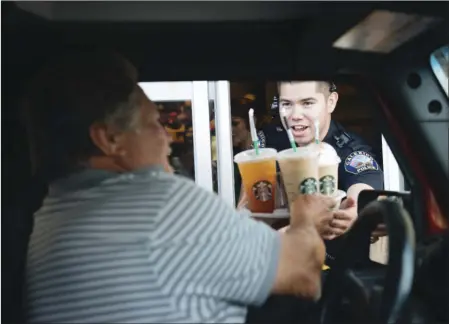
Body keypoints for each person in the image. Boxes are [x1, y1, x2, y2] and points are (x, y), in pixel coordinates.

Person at [23, 51, 335, 323]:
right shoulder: (158, 205)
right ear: (109, 140)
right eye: (153, 124)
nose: (169, 137)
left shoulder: (51, 214)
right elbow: (303, 274)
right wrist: (307, 216)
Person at [240, 81, 384, 263]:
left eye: (307, 103)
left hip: (329, 269)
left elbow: (361, 197)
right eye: (287, 104)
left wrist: (354, 212)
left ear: (331, 102)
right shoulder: (269, 142)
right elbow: (244, 208)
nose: (295, 115)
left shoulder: (348, 150)